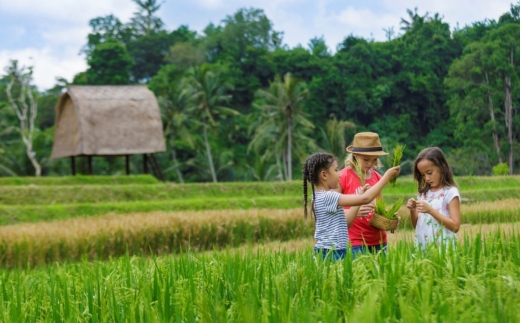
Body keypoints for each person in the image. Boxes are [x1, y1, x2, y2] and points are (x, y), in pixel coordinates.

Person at [302, 152, 400, 260]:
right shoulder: (328, 197)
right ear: (324, 175)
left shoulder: (321, 197)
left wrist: (358, 200)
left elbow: (346, 224)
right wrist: (386, 178)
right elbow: (366, 198)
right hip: (331, 252)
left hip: (337, 250)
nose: (339, 174)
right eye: (335, 170)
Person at [338, 132, 390, 258]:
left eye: (374, 160)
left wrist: (388, 218)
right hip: (355, 240)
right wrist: (354, 210)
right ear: (355, 155)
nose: (370, 164)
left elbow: (380, 208)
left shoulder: (378, 178)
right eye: (366, 159)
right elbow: (332, 209)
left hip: (379, 240)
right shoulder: (343, 176)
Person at [406, 147, 461, 250]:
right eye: (423, 175)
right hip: (423, 248)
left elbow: (455, 226)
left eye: (429, 173)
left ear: (442, 167)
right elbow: (417, 226)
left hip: (443, 249)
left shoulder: (450, 192)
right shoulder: (423, 194)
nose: (427, 178)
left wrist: (431, 210)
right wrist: (413, 210)